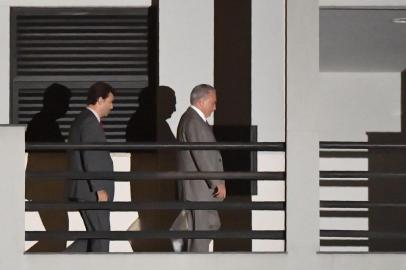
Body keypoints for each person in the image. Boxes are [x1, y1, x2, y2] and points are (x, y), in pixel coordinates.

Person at [171, 84, 226, 252]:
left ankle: (192, 257)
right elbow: (202, 154)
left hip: (199, 189)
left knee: (211, 223)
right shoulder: (193, 121)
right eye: (213, 102)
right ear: (202, 101)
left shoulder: (192, 119)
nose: (215, 107)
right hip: (198, 190)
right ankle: (196, 263)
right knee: (200, 234)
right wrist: (217, 181)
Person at [65, 81, 115, 252]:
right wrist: (99, 187)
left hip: (87, 190)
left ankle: (60, 261)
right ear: (100, 100)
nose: (112, 107)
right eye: (110, 102)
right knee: (101, 237)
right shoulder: (89, 122)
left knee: (95, 235)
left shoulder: (82, 119)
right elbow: (91, 155)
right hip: (92, 191)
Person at [25, 83, 71, 252]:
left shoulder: (42, 121)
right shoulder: (45, 123)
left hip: (46, 188)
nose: (68, 106)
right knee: (58, 236)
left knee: (58, 235)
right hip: (46, 189)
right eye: (65, 101)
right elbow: (51, 156)